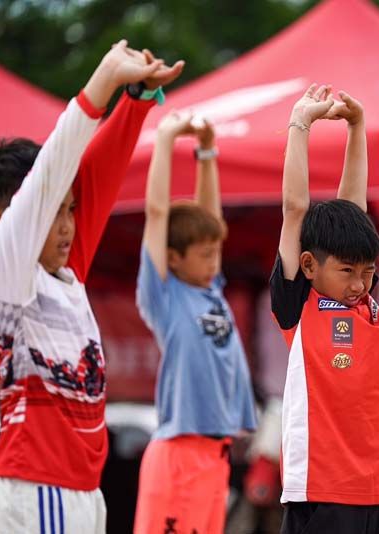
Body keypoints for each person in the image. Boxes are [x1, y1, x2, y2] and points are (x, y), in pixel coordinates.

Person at [0, 40, 182, 533]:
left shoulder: (64, 272)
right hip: (38, 488)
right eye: (53, 212)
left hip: (79, 491)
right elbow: (52, 171)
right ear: (4, 223)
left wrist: (134, 100)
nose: (68, 226)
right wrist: (101, 83)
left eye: (71, 210)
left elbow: (96, 177)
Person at [270, 84, 379, 534]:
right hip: (323, 493)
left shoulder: (364, 300)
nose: (360, 283)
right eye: (347, 271)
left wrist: (357, 125)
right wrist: (300, 124)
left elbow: (353, 209)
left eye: (368, 271)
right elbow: (294, 208)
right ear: (308, 265)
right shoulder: (299, 305)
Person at [132, 112, 257, 534]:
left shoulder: (211, 290)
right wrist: (166, 139)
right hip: (179, 454)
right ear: (173, 258)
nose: (213, 262)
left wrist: (207, 151)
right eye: (204, 255)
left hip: (215, 454)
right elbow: (155, 214)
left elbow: (210, 218)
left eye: (216, 253)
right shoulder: (165, 297)